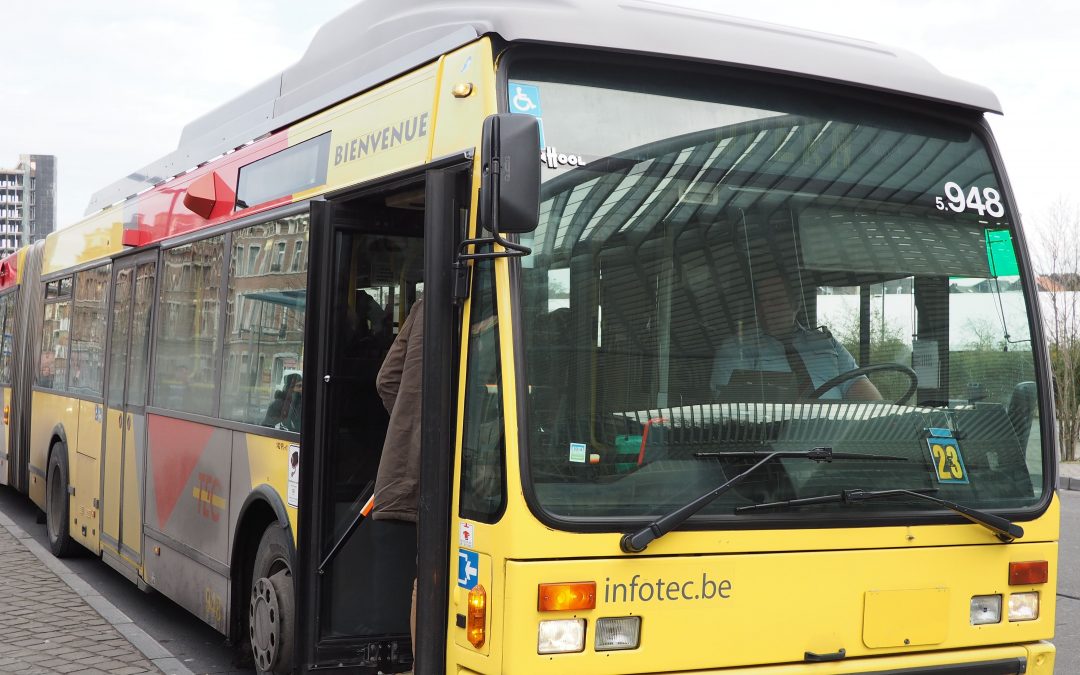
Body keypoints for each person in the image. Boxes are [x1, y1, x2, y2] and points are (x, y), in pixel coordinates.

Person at [711, 275, 882, 401]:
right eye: (761, 302)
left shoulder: (825, 343)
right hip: (774, 441)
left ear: (796, 304)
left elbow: (860, 387)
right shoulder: (737, 348)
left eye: (775, 300)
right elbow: (731, 409)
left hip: (835, 437)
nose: (766, 309)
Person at [372, 296, 424, 654]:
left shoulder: (424, 306)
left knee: (422, 571)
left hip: (411, 469)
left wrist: (411, 428)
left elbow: (386, 380)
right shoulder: (491, 308)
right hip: (463, 473)